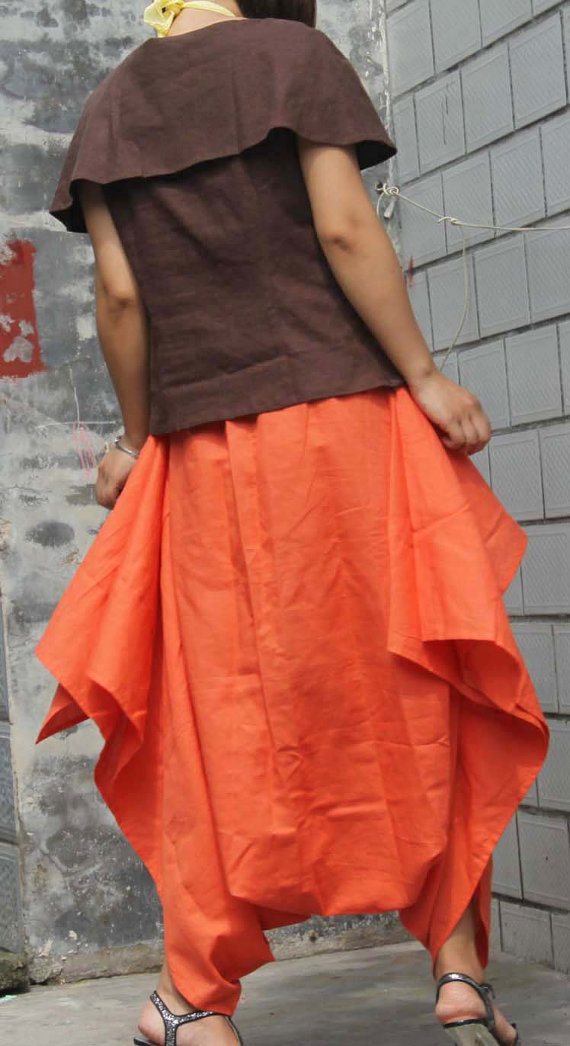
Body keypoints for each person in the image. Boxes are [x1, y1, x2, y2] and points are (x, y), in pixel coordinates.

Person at [33, 2, 549, 1045]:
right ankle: (457, 967)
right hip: (350, 431)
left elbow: (121, 297)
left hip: (206, 459)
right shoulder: (294, 58)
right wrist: (425, 375)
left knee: (215, 715)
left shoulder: (108, 111)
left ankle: (194, 1000)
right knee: (422, 678)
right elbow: (347, 227)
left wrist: (135, 439)